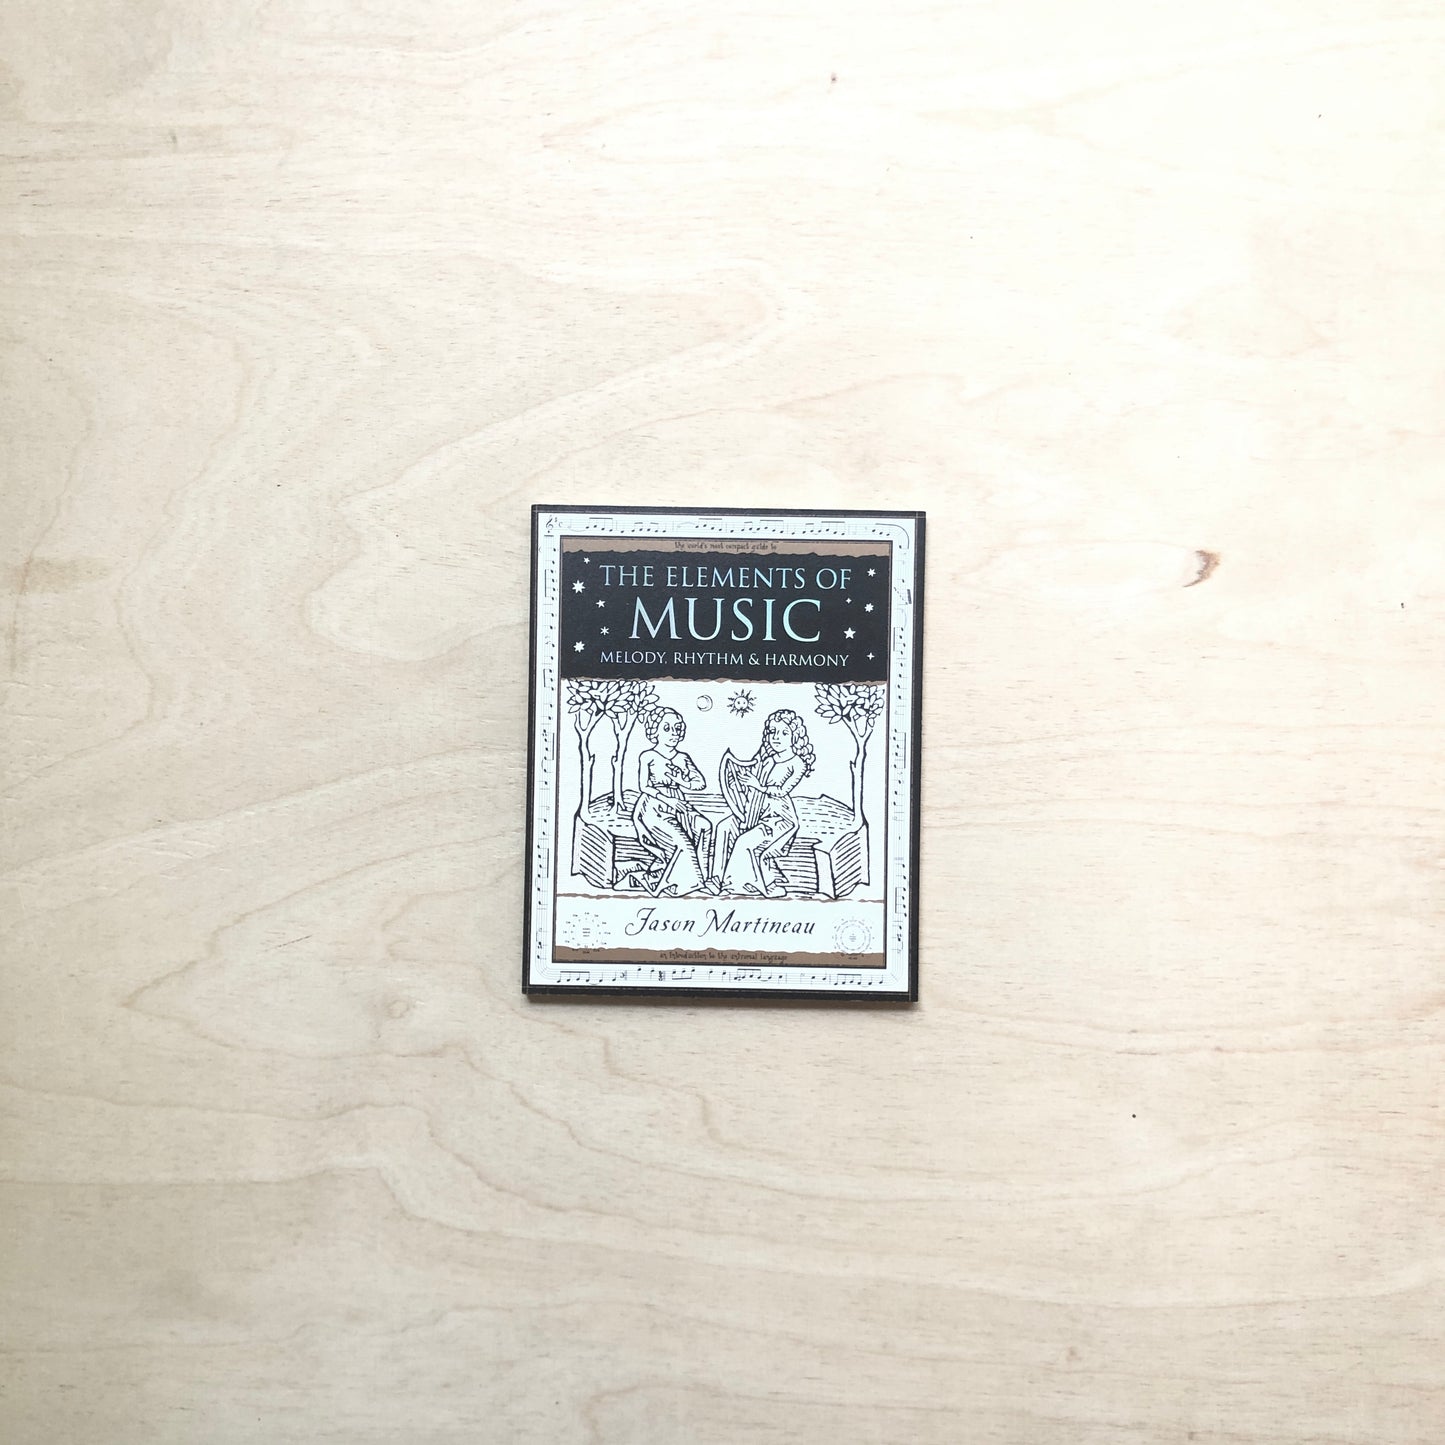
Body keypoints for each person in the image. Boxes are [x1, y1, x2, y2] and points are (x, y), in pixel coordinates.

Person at [711, 709, 815, 898]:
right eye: (772, 731)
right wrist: (739, 782)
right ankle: (716, 879)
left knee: (744, 841)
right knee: (723, 827)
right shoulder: (767, 760)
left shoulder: (797, 763)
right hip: (757, 812)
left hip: (779, 819)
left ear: (795, 736)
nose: (776, 737)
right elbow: (751, 781)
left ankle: (738, 883)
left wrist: (758, 786)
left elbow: (782, 790)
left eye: (784, 733)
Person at [629, 707, 713, 897]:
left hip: (679, 805)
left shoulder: (683, 758)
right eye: (666, 728)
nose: (673, 733)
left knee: (704, 826)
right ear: (655, 731)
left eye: (677, 728)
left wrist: (682, 781)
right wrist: (668, 800)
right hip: (653, 806)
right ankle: (684, 883)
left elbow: (700, 783)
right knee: (682, 844)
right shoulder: (648, 756)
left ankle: (702, 878)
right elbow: (644, 786)